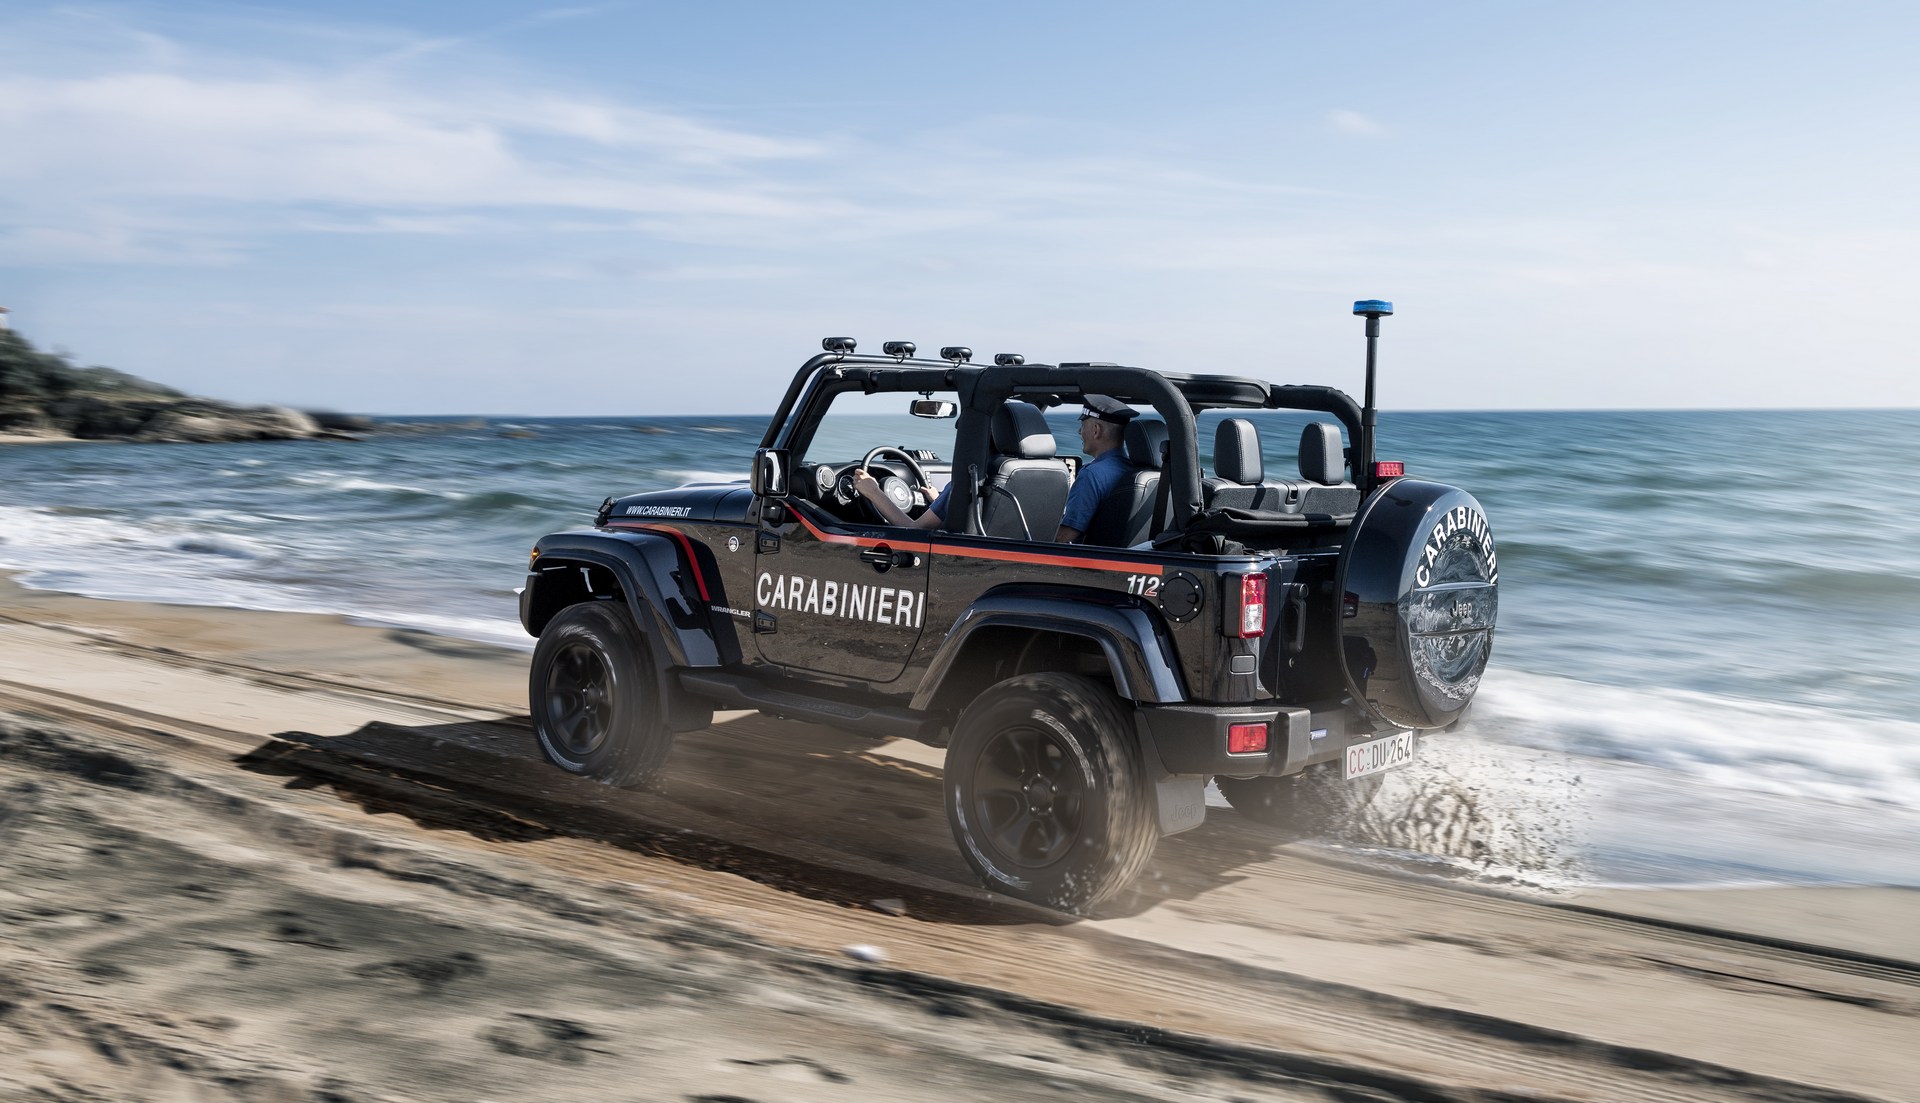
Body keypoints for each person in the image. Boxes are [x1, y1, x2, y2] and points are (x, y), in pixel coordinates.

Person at [1055, 394, 1136, 543]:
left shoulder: (1092, 475)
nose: (1079, 432)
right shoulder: (1136, 470)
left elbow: (1065, 537)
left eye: (1082, 426)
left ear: (1096, 430)